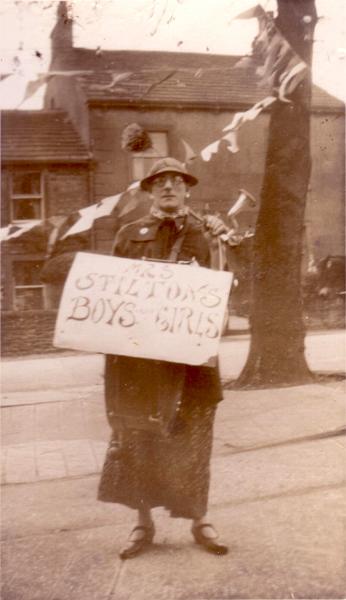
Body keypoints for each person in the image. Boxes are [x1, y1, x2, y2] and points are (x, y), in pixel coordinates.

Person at [98, 157, 229, 559]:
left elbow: (224, 288)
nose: (169, 187)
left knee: (194, 437)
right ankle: (143, 523)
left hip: (190, 359)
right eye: (160, 182)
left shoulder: (208, 233)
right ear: (149, 190)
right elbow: (111, 294)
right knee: (138, 438)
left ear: (188, 189)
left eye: (177, 181)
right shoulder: (128, 234)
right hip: (139, 360)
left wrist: (224, 241)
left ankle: (199, 520)